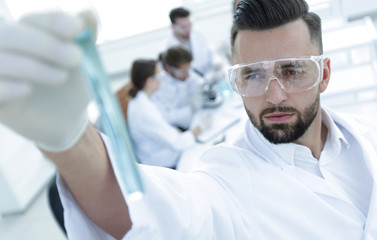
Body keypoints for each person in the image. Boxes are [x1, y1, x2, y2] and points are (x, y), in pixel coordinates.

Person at [0, 1, 376, 240]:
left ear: (324, 74)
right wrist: (68, 137)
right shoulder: (226, 180)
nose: (274, 96)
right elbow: (154, 212)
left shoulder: (368, 134)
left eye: (293, 71)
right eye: (253, 75)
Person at [116, 59, 201, 168]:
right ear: (149, 81)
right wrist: (196, 131)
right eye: (159, 75)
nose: (162, 79)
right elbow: (177, 143)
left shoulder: (142, 99)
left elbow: (167, 118)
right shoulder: (143, 110)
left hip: (166, 150)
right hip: (165, 163)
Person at [152, 46, 204, 130]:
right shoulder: (159, 86)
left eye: (188, 69)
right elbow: (167, 117)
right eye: (183, 72)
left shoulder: (183, 71)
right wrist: (190, 109)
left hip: (194, 118)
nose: (188, 75)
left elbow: (197, 82)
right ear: (168, 69)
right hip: (177, 129)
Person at [164, 7, 213, 77]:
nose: (188, 29)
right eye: (183, 27)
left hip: (207, 74)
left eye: (189, 25)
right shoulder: (168, 46)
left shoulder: (197, 34)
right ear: (172, 27)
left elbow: (210, 52)